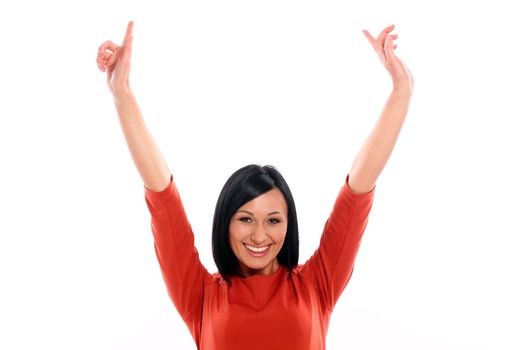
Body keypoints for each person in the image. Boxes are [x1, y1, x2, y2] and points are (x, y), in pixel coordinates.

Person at [96, 20, 414, 350]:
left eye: (273, 220)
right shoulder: (200, 296)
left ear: (288, 225)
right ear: (226, 222)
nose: (260, 236)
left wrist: (401, 89)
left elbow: (359, 188)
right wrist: (122, 93)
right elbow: (162, 197)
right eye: (246, 219)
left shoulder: (317, 284)